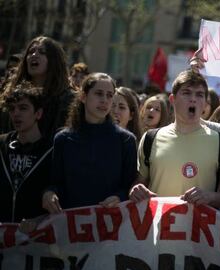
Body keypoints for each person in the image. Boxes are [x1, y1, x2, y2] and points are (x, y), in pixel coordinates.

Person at [129, 70, 220, 208]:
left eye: (199, 95)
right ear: (173, 100)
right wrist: (135, 190)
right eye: (186, 93)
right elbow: (139, 183)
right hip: (158, 227)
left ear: (204, 103)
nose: (193, 99)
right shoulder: (150, 138)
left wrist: (210, 197)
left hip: (199, 228)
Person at [42, 73, 137, 212]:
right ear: (83, 97)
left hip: (111, 225)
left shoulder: (126, 140)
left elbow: (129, 186)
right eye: (99, 93)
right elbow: (55, 183)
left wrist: (119, 197)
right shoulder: (63, 139)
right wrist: (49, 193)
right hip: (70, 226)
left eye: (110, 95)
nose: (104, 100)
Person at [0, 36, 74, 138]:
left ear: (53, 60)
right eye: (30, 52)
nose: (34, 55)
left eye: (42, 52)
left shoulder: (68, 99)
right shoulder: (12, 95)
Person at [0, 81, 51, 222]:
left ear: (38, 113)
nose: (16, 113)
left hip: (35, 238)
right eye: (12, 109)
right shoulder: (2, 144)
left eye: (23, 108)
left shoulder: (50, 150)